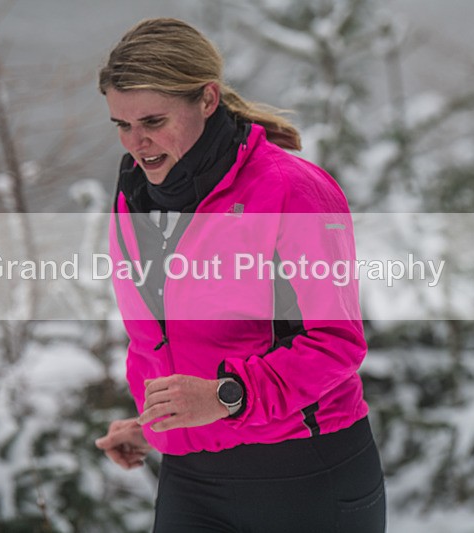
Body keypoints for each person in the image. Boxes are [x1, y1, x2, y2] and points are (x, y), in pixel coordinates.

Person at [94, 17, 386, 532]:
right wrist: (158, 424)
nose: (137, 143)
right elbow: (166, 339)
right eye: (122, 125)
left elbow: (337, 342)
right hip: (192, 480)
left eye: (153, 121)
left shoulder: (290, 191)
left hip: (305, 473)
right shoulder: (133, 197)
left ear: (206, 100)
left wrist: (226, 397)